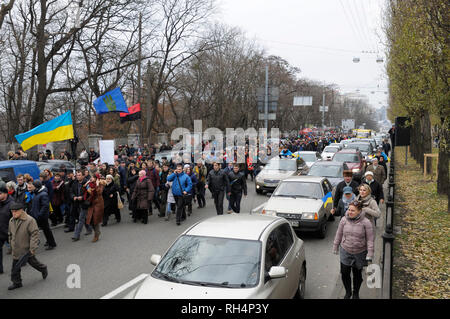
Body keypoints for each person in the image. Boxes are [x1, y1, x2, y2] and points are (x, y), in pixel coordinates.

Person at [333, 200, 374, 299]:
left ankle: (355, 293)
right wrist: (335, 246)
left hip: (359, 252)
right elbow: (339, 233)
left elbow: (370, 239)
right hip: (345, 250)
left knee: (357, 275)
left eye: (353, 210)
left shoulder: (366, 222)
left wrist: (370, 253)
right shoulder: (344, 219)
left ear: (359, 211)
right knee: (344, 272)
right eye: (349, 210)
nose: (350, 212)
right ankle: (348, 292)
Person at [7, 201, 48, 290]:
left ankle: (43, 268)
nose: (13, 213)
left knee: (34, 263)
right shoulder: (11, 221)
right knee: (15, 268)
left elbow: (34, 234)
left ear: (21, 210)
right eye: (12, 211)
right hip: (16, 250)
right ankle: (17, 282)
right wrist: (11, 243)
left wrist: (32, 249)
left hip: (26, 250)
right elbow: (10, 233)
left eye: (15, 211)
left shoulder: (30, 220)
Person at [27, 180, 57, 250]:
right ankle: (49, 242)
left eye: (33, 186)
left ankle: (51, 244)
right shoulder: (36, 193)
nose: (32, 187)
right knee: (45, 230)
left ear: (37, 187)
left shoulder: (43, 194)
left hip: (42, 217)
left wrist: (39, 215)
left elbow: (45, 206)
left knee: (46, 230)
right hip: (37, 216)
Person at [67, 171, 89, 235]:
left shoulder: (87, 183)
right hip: (76, 203)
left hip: (84, 203)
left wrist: (82, 197)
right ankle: (89, 228)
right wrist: (73, 196)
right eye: (77, 175)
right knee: (83, 217)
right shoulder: (75, 182)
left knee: (81, 218)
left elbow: (89, 193)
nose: (78, 176)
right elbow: (71, 191)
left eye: (79, 175)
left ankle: (76, 235)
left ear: (83, 176)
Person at [85, 174, 105, 242]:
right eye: (91, 177)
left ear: (96, 178)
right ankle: (97, 232)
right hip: (91, 203)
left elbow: (99, 192)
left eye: (93, 177)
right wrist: (86, 185)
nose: (91, 178)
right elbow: (85, 192)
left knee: (95, 220)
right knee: (90, 220)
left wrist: (96, 185)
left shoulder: (100, 184)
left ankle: (96, 235)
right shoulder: (90, 184)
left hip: (98, 203)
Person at [0, 181, 13, 274]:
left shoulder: (12, 204)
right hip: (0, 232)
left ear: (5, 193)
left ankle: (41, 267)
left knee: (21, 253)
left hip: (10, 233)